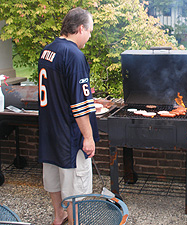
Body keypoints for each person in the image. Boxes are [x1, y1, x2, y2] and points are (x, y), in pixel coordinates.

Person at [38, 7, 99, 225]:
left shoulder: (48, 50)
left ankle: (58, 216)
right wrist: (89, 137)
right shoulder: (74, 55)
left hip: (49, 131)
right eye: (89, 31)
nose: (89, 37)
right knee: (76, 190)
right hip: (69, 135)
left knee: (54, 180)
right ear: (80, 28)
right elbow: (80, 104)